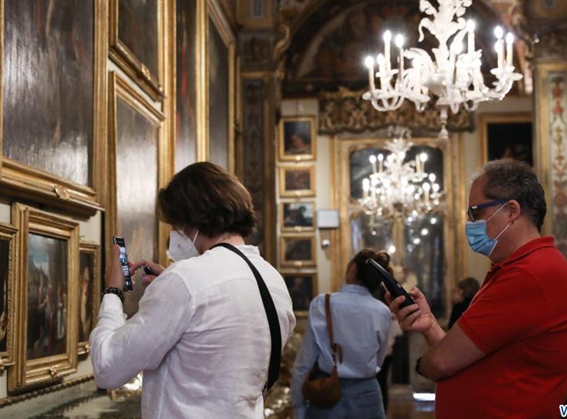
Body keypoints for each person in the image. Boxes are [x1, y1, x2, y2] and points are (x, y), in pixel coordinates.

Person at [91, 162, 296, 419]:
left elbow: (108, 367)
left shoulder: (186, 280)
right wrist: (173, 285)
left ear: (192, 219)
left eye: (175, 225)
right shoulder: (273, 280)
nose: (175, 234)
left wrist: (113, 291)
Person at [388, 159, 567, 417]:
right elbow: (467, 357)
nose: (471, 223)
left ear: (512, 210)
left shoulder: (530, 274)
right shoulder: (516, 267)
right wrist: (429, 325)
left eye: (476, 213)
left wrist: (422, 364)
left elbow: (440, 363)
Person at [291, 249, 392, 419]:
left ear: (352, 268)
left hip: (326, 391)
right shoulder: (382, 311)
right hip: (367, 393)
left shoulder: (322, 303)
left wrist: (298, 407)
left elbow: (304, 363)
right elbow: (379, 359)